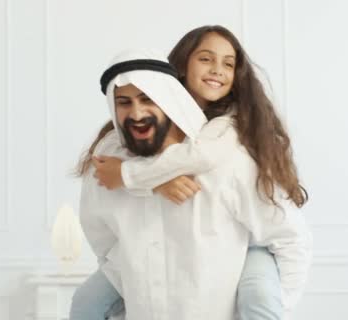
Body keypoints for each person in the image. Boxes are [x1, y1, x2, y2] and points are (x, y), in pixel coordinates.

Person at [72, 26, 311, 320]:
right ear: (182, 67)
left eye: (228, 64)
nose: (217, 71)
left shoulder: (228, 134)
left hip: (251, 246)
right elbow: (104, 237)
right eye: (206, 59)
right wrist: (154, 182)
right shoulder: (114, 152)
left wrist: (139, 177)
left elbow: (203, 156)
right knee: (84, 302)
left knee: (259, 297)